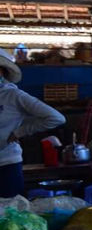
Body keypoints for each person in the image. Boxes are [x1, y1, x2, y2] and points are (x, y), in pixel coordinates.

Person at [0, 49, 65, 196]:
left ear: (3, 72)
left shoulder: (14, 95)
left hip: (6, 164)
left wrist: (20, 132)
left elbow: (56, 118)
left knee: (10, 212)